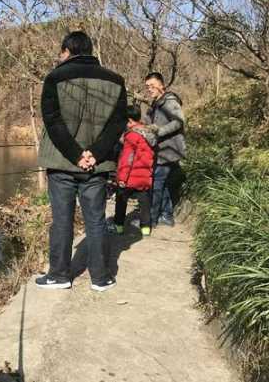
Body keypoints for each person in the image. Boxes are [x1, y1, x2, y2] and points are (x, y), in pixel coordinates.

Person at [36, 31, 127, 292]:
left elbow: (53, 122)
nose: (59, 56)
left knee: (62, 220)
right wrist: (95, 153)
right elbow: (117, 123)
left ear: (68, 50)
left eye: (61, 52)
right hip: (97, 166)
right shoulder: (115, 80)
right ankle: (101, 277)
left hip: (62, 162)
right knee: (96, 220)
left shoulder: (55, 77)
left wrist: (76, 154)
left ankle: (60, 275)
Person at [143, 72, 186, 227]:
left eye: (153, 85)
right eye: (147, 86)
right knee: (164, 183)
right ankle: (166, 216)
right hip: (164, 150)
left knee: (156, 185)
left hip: (168, 151)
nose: (149, 88)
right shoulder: (156, 103)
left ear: (162, 85)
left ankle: (151, 220)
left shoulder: (169, 101)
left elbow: (179, 121)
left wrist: (158, 131)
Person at [109, 105, 157, 237]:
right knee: (145, 202)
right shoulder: (149, 134)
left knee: (121, 199)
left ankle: (118, 226)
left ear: (129, 120)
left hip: (131, 177)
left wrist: (122, 179)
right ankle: (146, 228)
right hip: (145, 175)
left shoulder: (131, 136)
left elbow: (127, 159)